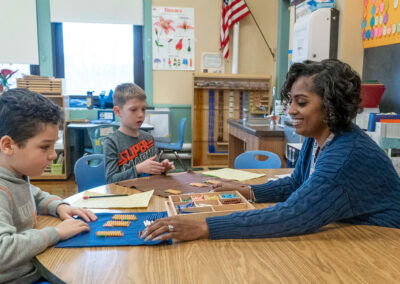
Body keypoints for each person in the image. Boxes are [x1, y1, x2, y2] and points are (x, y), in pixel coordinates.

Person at [141, 59, 400, 242]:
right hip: (352, 232)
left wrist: (203, 225)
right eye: (291, 102)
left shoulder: (345, 157)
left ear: (331, 106)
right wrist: (249, 190)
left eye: (301, 103)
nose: (290, 111)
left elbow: (294, 215)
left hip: (381, 242)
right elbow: (298, 183)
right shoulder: (318, 136)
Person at [0, 89, 97, 283]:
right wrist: (57, 233)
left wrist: (59, 206)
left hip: (35, 268)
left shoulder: (17, 175)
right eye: (45, 147)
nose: (53, 155)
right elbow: (3, 251)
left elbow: (33, 195)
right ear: (8, 145)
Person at [104, 83, 174, 184]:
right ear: (118, 111)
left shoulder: (149, 138)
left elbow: (155, 173)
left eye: (143, 109)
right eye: (133, 110)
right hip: (124, 196)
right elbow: (110, 180)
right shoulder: (112, 142)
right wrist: (137, 169)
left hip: (149, 192)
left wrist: (162, 168)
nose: (141, 115)